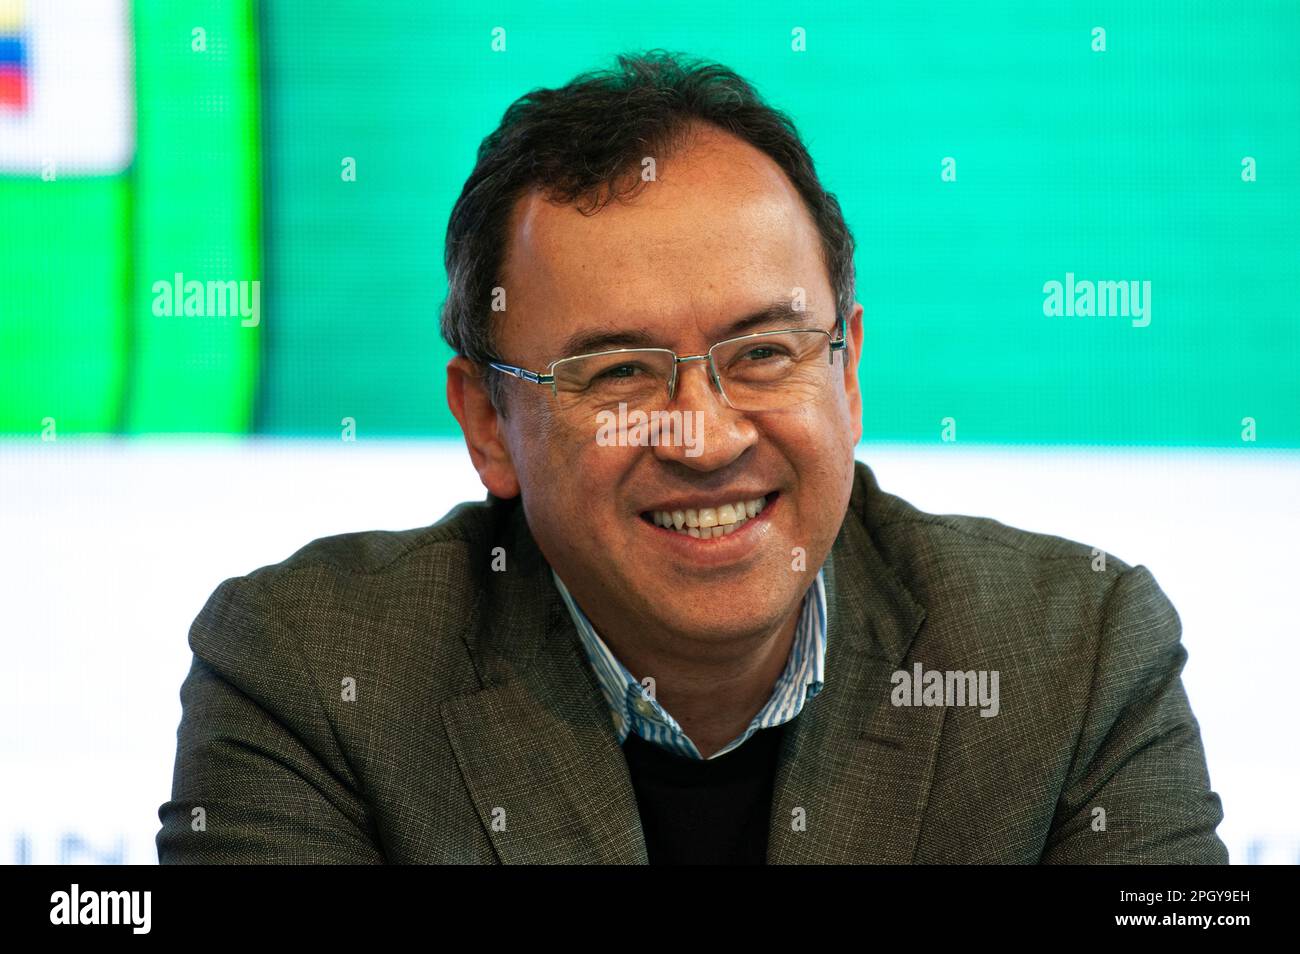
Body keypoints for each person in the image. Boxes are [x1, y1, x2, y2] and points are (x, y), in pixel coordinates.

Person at [156, 51, 1228, 864]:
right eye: (618, 373)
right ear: (489, 423)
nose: (705, 437)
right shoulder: (314, 675)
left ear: (846, 375)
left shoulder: (1074, 658)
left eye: (763, 353)